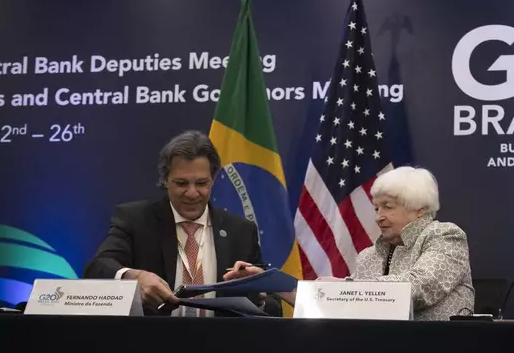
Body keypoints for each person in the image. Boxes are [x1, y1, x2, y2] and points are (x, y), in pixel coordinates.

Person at [225, 166, 474, 320]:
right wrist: (270, 280)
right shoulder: (369, 255)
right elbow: (340, 306)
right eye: (376, 208)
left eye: (388, 207)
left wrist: (349, 288)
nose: (378, 217)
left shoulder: (445, 236)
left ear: (420, 210)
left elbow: (419, 287)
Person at [84, 130, 280, 317]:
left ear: (212, 181)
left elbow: (273, 307)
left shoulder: (241, 232)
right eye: (181, 183)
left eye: (202, 183)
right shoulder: (136, 219)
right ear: (165, 181)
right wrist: (134, 277)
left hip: (221, 345)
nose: (192, 193)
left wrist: (258, 296)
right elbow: (97, 267)